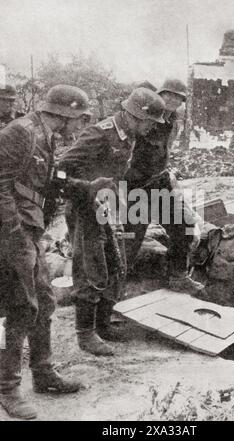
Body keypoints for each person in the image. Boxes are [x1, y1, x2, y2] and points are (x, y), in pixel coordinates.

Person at [0, 84, 102, 420]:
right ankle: (7, 388)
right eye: (81, 119)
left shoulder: (44, 136)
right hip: (12, 234)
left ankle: (43, 374)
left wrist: (86, 188)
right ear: (67, 113)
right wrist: (14, 238)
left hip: (29, 231)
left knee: (43, 301)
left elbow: (47, 183)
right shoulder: (20, 133)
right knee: (19, 307)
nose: (81, 127)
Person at [59, 87, 166, 355]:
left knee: (115, 263)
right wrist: (87, 189)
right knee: (89, 266)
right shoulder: (99, 133)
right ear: (134, 116)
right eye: (150, 122)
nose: (152, 128)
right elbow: (59, 172)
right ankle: (85, 334)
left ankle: (103, 324)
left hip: (106, 207)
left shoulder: (128, 135)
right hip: (85, 208)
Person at [124, 78, 203, 295]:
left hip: (159, 183)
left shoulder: (174, 121)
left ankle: (178, 277)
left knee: (184, 226)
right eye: (170, 95)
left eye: (179, 97)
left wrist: (168, 176)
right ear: (161, 94)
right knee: (131, 238)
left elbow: (165, 151)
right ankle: (116, 287)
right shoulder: (146, 117)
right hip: (135, 187)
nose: (174, 100)